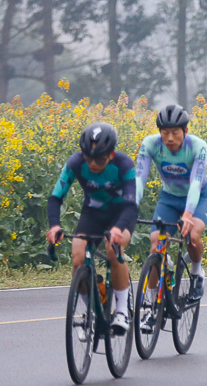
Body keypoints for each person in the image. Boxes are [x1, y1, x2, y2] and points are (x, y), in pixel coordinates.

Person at [46, 123, 138, 334]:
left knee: (113, 251)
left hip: (121, 215)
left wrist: (119, 228)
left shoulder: (124, 164)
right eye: (89, 158)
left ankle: (122, 309)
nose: (94, 164)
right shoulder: (76, 163)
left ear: (112, 154)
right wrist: (54, 226)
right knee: (78, 259)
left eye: (100, 159)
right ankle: (92, 314)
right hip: (93, 214)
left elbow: (131, 205)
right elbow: (55, 198)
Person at [135, 105, 207, 305]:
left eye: (175, 133)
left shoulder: (198, 146)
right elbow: (139, 179)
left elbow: (196, 181)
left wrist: (187, 214)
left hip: (196, 198)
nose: (169, 138)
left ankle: (196, 272)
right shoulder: (150, 144)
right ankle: (152, 303)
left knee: (192, 236)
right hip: (168, 199)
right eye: (165, 132)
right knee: (155, 246)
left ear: (185, 131)